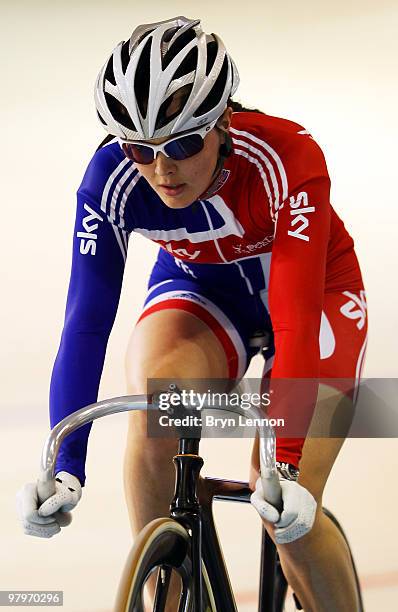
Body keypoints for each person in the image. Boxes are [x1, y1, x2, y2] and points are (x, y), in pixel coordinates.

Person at [17, 16, 368, 611]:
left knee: (285, 507)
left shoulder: (289, 155)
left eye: (181, 145)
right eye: (140, 150)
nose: (163, 170)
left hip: (315, 296)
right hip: (202, 291)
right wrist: (64, 465)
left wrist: (284, 460)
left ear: (223, 123)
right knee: (155, 408)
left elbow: (295, 317)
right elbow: (86, 321)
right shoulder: (109, 182)